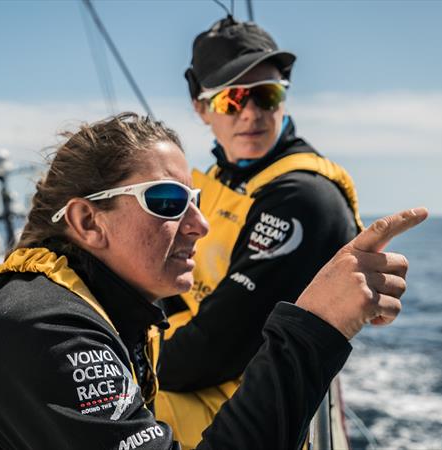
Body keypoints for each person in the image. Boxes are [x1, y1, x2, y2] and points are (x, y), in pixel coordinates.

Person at [0, 113, 426, 450]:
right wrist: (313, 329)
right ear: (88, 221)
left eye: (197, 199)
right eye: (168, 200)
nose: (201, 225)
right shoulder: (41, 328)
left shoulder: (104, 311)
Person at [155, 16, 364, 446]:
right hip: (193, 375)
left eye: (266, 95)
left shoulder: (304, 199)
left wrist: (124, 358)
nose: (251, 113)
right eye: (231, 99)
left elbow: (220, 349)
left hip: (247, 407)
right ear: (201, 107)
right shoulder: (219, 178)